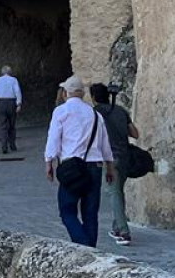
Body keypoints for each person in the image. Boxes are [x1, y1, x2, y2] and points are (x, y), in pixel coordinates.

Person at [44, 74, 114, 247]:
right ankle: (91, 250)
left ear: (66, 93)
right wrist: (110, 167)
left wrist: (49, 163)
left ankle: (83, 246)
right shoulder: (95, 114)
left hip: (72, 167)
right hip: (94, 167)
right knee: (90, 213)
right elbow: (105, 143)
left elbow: (53, 139)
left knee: (67, 211)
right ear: (82, 94)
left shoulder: (61, 112)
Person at [91, 82, 140, 246]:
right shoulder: (120, 111)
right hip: (125, 156)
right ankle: (116, 226)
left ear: (93, 98)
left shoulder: (95, 113)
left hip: (109, 157)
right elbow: (135, 133)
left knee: (114, 192)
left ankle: (124, 231)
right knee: (118, 192)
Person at [0, 64, 22, 153]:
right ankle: (12, 145)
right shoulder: (14, 80)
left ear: (2, 72)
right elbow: (17, 91)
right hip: (11, 103)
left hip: (0, 103)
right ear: (10, 72)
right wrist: (18, 104)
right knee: (12, 125)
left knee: (2, 125)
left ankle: (4, 146)